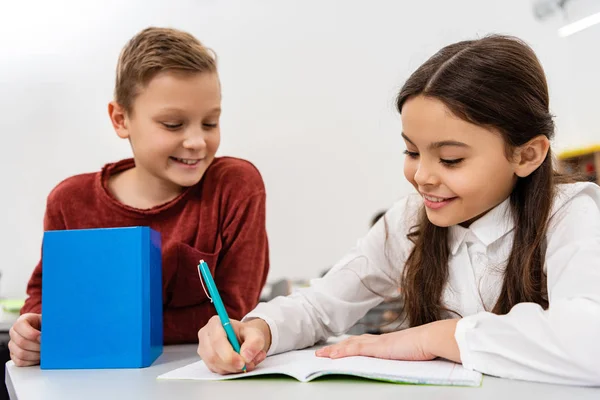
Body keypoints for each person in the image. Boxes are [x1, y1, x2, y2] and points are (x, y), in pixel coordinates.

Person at [197, 35, 600, 385]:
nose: (422, 176)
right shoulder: (410, 220)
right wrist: (261, 329)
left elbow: (590, 340)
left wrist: (434, 337)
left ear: (526, 154)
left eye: (451, 159)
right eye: (411, 151)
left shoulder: (569, 214)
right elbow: (319, 305)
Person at [9, 27, 269, 367]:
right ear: (121, 119)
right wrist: (30, 329)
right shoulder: (69, 201)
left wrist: (93, 327)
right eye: (173, 124)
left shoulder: (235, 187)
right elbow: (47, 302)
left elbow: (234, 313)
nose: (196, 142)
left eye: (210, 123)